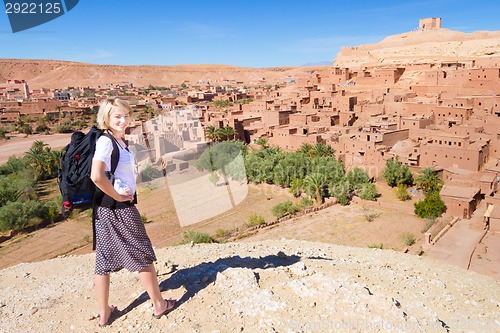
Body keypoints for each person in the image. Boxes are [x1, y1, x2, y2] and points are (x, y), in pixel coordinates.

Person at [90, 98, 175, 327]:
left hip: (104, 210)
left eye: (126, 115)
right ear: (106, 118)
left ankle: (104, 313)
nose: (123, 120)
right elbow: (96, 175)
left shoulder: (119, 141)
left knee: (104, 260)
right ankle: (159, 304)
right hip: (119, 208)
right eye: (117, 116)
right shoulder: (107, 142)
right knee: (141, 254)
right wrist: (118, 196)